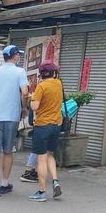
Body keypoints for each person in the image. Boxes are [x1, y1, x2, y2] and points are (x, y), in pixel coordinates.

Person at [0, 44, 29, 197]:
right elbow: (24, 92)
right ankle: (5, 183)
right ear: (15, 56)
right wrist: (24, 107)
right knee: (8, 151)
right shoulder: (20, 72)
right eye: (19, 55)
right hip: (11, 115)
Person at [27, 61, 63, 202]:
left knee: (41, 158)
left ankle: (41, 191)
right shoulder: (59, 84)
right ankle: (55, 181)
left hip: (42, 126)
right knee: (50, 155)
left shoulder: (41, 86)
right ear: (53, 73)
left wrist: (32, 98)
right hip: (56, 125)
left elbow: (35, 106)